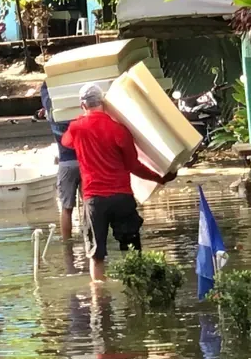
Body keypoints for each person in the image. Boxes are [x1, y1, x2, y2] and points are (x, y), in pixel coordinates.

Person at [61, 83, 177, 282]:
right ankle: (137, 297)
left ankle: (99, 302)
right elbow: (134, 166)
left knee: (96, 256)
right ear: (104, 103)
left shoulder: (76, 128)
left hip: (94, 199)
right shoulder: (119, 129)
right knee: (132, 251)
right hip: (122, 197)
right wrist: (160, 177)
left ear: (83, 105)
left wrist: (82, 120)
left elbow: (66, 142)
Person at [40, 81, 81, 240]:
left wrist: (51, 78)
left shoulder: (53, 115)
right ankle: (91, 239)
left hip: (66, 163)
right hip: (86, 162)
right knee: (91, 206)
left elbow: (45, 90)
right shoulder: (81, 114)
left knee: (66, 208)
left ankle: (67, 245)